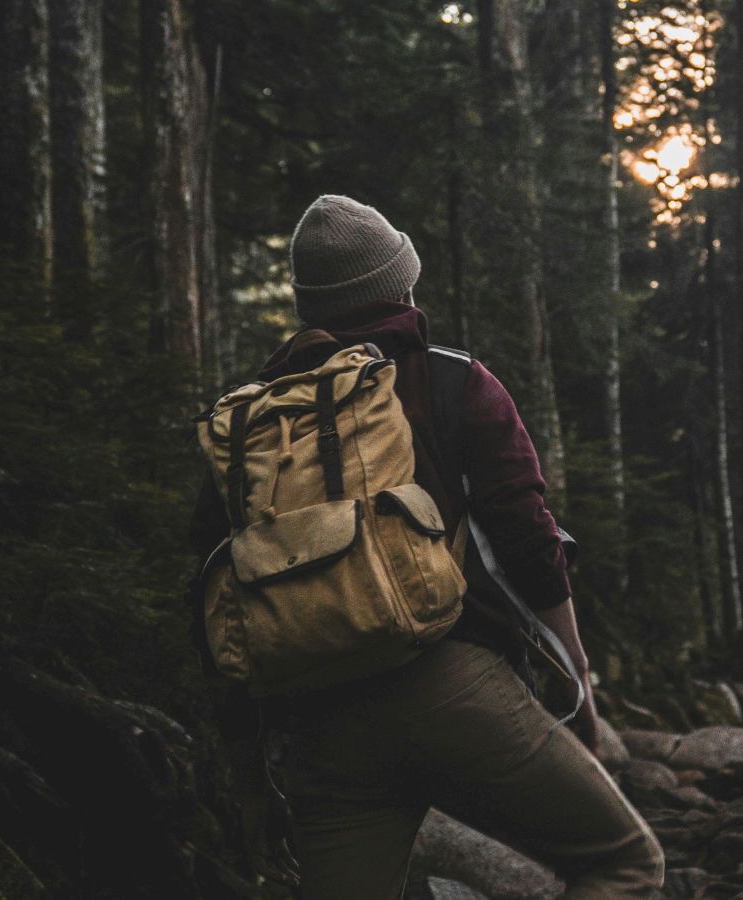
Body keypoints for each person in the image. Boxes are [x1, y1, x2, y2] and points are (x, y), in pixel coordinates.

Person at [188, 195, 664, 899]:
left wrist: (248, 763)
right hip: (449, 686)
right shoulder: (452, 379)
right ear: (401, 284)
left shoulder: (248, 424)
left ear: (308, 306)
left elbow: (212, 591)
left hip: (318, 722)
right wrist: (577, 676)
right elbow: (529, 540)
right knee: (623, 863)